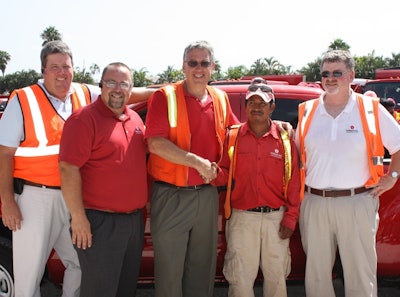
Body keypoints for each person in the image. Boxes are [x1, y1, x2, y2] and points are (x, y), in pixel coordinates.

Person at [0, 40, 153, 297]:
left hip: (76, 198)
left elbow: (124, 91)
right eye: (55, 67)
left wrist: (169, 91)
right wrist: (7, 201)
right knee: (29, 274)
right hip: (37, 198)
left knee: (83, 265)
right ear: (43, 70)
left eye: (67, 67)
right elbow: (4, 154)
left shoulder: (83, 92)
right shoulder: (23, 100)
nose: (62, 73)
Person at [296, 49, 400, 297]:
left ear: (351, 75)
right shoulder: (307, 110)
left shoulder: (371, 109)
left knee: (360, 275)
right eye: (325, 73)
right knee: (317, 277)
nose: (330, 78)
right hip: (314, 202)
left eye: (337, 73)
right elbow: (296, 154)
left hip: (357, 202)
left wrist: (391, 178)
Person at [144, 40, 240, 297]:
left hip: (207, 196)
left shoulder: (220, 98)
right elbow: (155, 144)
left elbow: (237, 135)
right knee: (170, 273)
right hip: (171, 195)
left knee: (202, 270)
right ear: (183, 66)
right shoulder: (165, 97)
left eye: (204, 63)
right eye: (193, 63)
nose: (199, 68)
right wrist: (197, 162)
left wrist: (278, 125)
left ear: (213, 67)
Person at [58, 62, 147, 296]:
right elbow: (68, 169)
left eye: (123, 84)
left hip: (133, 222)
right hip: (99, 223)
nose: (117, 89)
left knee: (125, 289)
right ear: (101, 85)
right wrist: (78, 218)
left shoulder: (136, 120)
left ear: (130, 89)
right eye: (111, 82)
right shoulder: (83, 120)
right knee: (100, 291)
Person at [212, 81, 301, 297]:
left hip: (276, 220)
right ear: (246, 106)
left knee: (277, 279)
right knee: (240, 281)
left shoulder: (285, 138)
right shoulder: (232, 136)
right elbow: (224, 173)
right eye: (252, 102)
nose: (257, 107)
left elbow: (294, 182)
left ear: (272, 107)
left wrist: (290, 218)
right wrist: (211, 173)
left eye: (263, 102)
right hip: (242, 219)